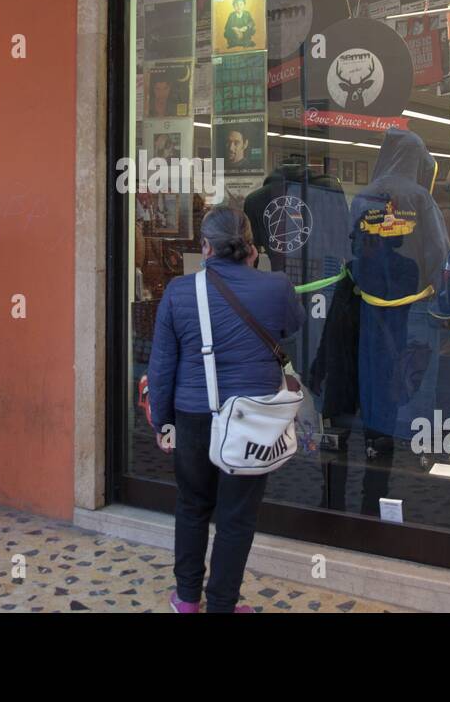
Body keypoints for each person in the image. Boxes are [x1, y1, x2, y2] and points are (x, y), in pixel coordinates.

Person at [147, 207, 303, 613]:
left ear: (204, 247)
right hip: (250, 420)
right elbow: (292, 325)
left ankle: (185, 599)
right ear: (251, 248)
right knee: (236, 518)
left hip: (193, 417)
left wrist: (163, 423)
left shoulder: (179, 293)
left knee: (192, 506)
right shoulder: (277, 286)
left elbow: (161, 368)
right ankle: (222, 605)